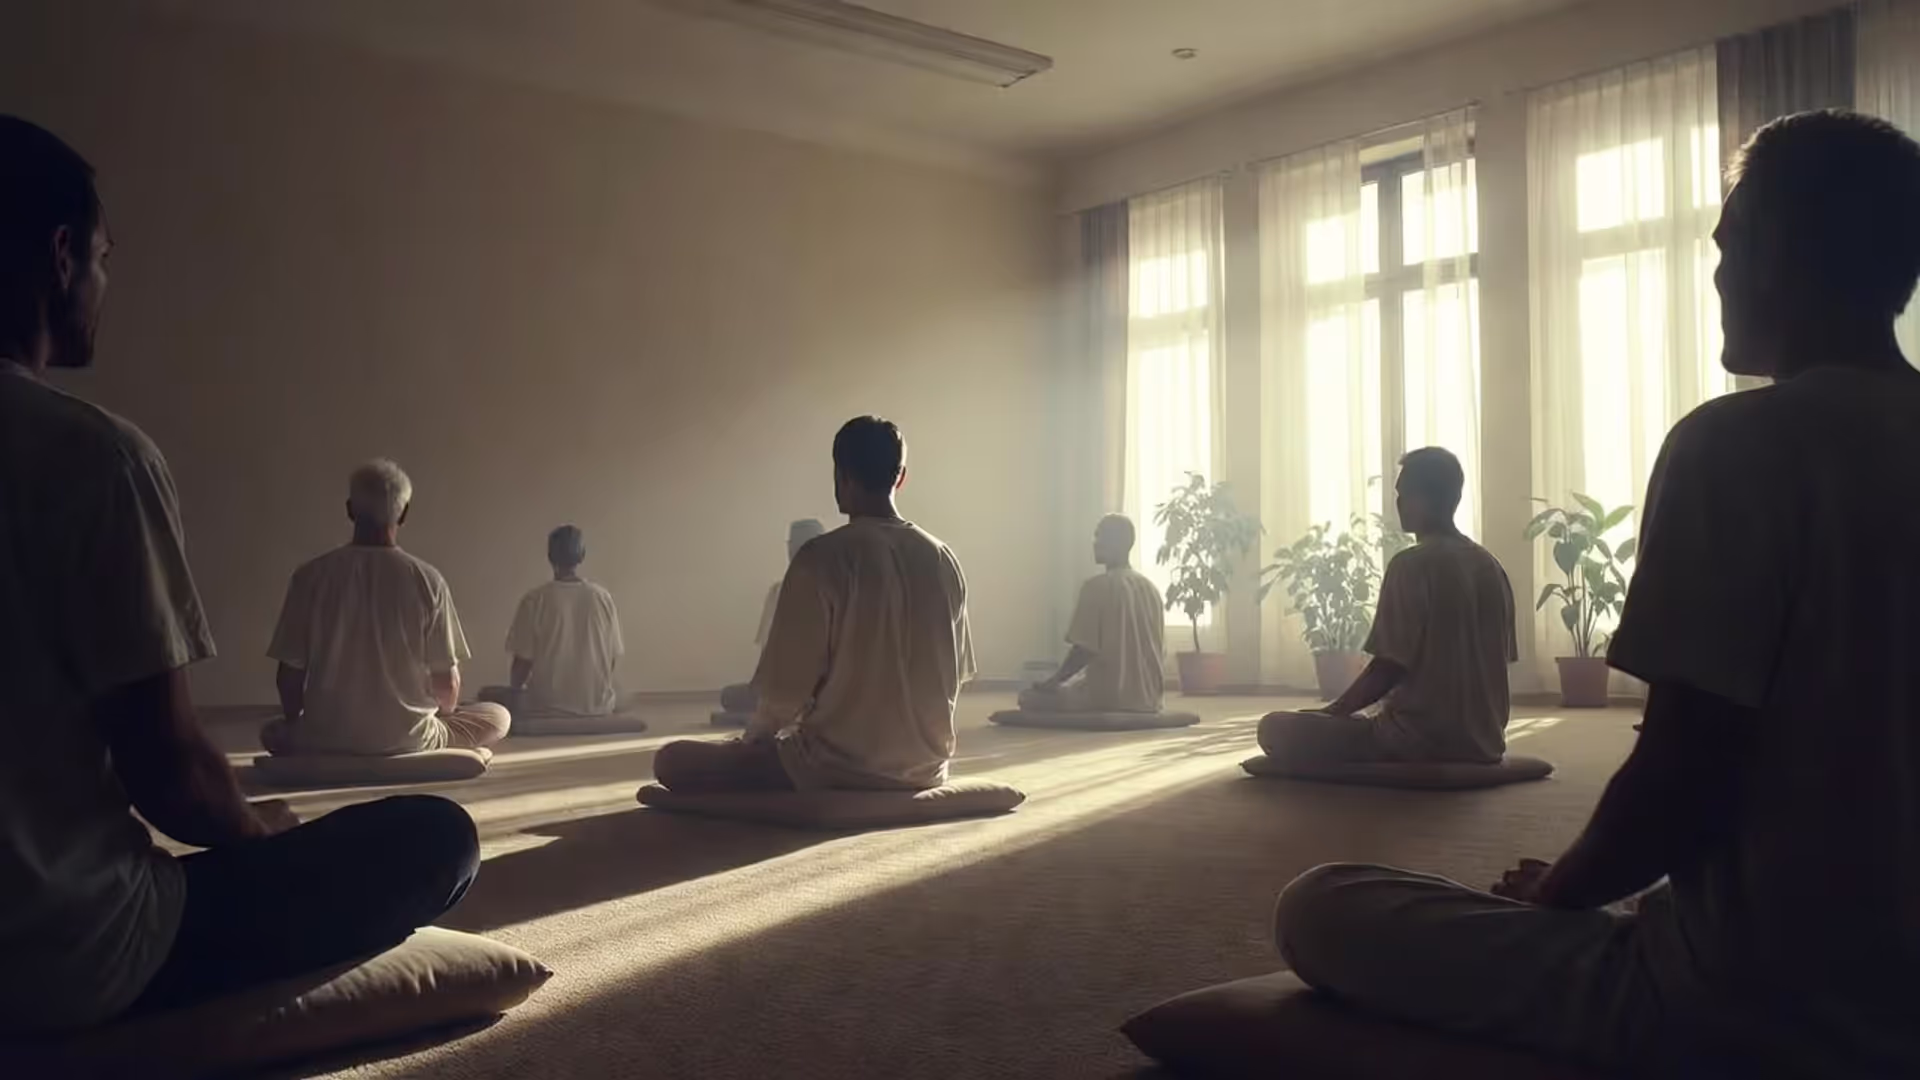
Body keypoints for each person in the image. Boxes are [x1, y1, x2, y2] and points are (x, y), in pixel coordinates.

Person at [1274, 110, 1920, 1078]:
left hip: (1757, 997)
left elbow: (1686, 766)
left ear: (1778, 248)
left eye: (1727, 242)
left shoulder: (1738, 443)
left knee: (1321, 904)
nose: (1716, 274)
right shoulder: (1490, 564)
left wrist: (1566, 895)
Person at [0, 116, 478, 1036]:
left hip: (315, 739)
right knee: (441, 834)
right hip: (65, 951)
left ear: (350, 508)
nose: (105, 283)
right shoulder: (94, 459)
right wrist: (265, 843)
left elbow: (287, 686)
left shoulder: (309, 571)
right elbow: (170, 773)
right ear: (60, 257)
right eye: (103, 257)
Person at [656, 416, 974, 793]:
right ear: (900, 477)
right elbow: (958, 676)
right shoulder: (943, 559)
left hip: (833, 767)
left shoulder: (822, 557)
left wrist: (749, 744)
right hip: (926, 768)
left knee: (672, 760)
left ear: (840, 476)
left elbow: (781, 697)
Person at [1258, 447, 1515, 766]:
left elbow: (1389, 667)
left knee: (1274, 727)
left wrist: (1334, 711)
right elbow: (1497, 664)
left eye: (1404, 493)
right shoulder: (1491, 567)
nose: (1397, 503)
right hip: (1485, 743)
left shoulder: (1411, 565)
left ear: (1426, 498)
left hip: (1416, 740)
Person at [264, 460, 510, 756]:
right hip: (411, 738)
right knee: (498, 715)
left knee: (270, 731)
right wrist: (445, 715)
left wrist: (297, 725)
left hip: (324, 738)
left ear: (350, 509)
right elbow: (446, 682)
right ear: (404, 513)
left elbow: (288, 678)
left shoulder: (310, 577)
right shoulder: (428, 580)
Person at [1018, 514, 1165, 714]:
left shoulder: (1096, 587)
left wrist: (1053, 682)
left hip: (1109, 698)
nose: (1095, 543)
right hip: (1151, 698)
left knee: (1028, 698)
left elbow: (1084, 650)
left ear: (1118, 543)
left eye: (1100, 537)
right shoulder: (1151, 589)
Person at [481, 525, 627, 718]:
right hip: (597, 706)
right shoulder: (603, 598)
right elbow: (611, 659)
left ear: (550, 556)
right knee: (625, 695)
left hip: (545, 705)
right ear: (582, 555)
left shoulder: (535, 599)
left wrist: (514, 695)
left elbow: (522, 663)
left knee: (486, 694)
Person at [718, 518, 826, 714]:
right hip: (824, 692)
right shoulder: (842, 588)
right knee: (731, 695)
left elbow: (768, 653)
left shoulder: (781, 591)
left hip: (797, 690)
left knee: (733, 697)